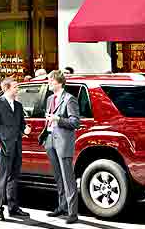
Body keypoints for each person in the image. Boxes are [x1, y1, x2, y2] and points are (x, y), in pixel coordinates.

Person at [0, 78, 31, 221]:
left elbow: (21, 125)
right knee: (2, 179)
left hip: (17, 146)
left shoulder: (18, 105)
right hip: (3, 147)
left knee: (14, 178)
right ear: (7, 88)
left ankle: (13, 207)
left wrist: (26, 129)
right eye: (15, 87)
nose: (17, 89)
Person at [43, 70, 82, 223]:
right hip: (50, 139)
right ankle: (62, 207)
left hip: (64, 142)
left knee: (68, 177)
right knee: (58, 177)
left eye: (50, 81)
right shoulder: (50, 99)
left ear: (58, 82)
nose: (48, 83)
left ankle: (73, 213)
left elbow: (75, 122)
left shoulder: (69, 99)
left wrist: (58, 119)